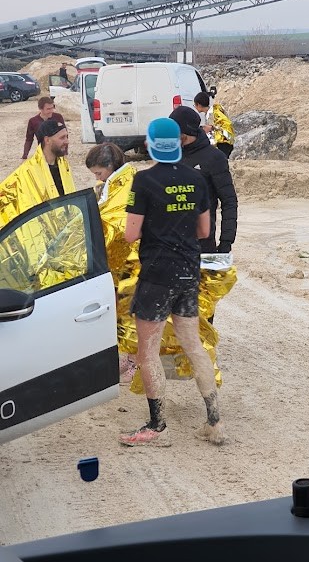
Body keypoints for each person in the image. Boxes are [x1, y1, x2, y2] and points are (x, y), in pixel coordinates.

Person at [119, 117, 225, 448]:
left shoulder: (144, 180)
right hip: (188, 270)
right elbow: (205, 231)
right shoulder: (196, 179)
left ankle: (157, 427)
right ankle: (214, 422)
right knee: (192, 343)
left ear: (151, 145)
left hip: (156, 274)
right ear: (178, 143)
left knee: (147, 349)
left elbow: (131, 233)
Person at [85, 142, 138, 384]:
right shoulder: (112, 183)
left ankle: (134, 362)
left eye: (98, 172)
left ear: (110, 166)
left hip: (130, 259)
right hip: (119, 259)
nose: (97, 178)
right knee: (122, 310)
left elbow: (118, 222)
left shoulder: (125, 184)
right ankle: (128, 359)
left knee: (130, 311)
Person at [169, 106, 237, 255]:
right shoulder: (170, 156)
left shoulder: (214, 158)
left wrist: (226, 242)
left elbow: (229, 201)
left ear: (184, 134)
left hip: (202, 246)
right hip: (171, 245)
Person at [0, 118, 74, 226]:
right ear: (47, 140)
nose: (67, 141)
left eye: (67, 136)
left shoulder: (64, 165)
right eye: (62, 137)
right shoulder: (27, 171)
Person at [194, 92, 235, 159]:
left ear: (198, 105)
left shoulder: (211, 114)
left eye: (195, 105)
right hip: (225, 142)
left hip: (222, 143)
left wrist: (212, 128)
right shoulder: (213, 110)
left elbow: (221, 126)